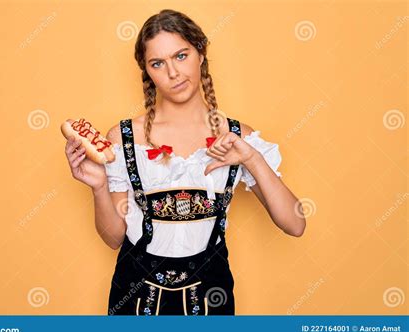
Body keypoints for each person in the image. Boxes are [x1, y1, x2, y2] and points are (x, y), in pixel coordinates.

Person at [64, 9, 306, 316]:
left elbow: (295, 224)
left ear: (200, 52)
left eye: (181, 55)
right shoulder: (125, 138)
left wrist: (252, 158)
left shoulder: (236, 137)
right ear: (147, 71)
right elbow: (113, 238)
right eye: (158, 63)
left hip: (210, 301)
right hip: (135, 301)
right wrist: (98, 188)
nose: (173, 73)